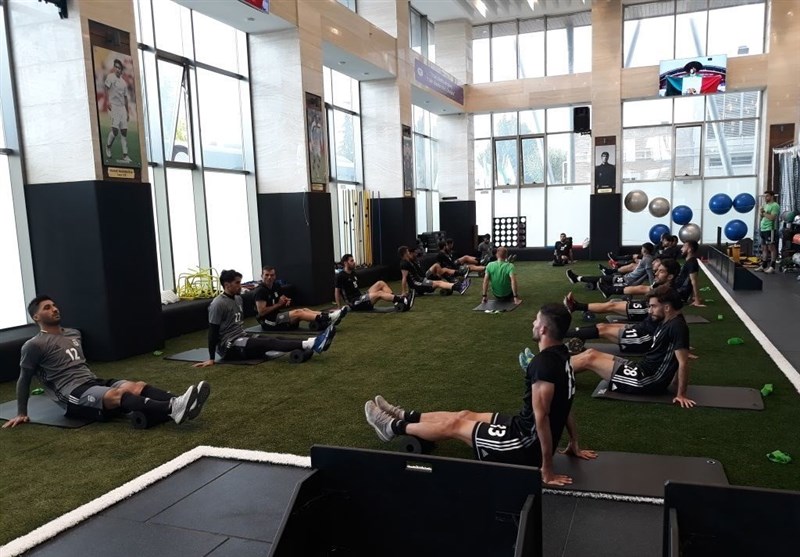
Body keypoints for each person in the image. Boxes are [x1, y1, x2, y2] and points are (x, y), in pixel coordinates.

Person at [364, 304, 596, 485]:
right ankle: (404, 415)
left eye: (536, 320)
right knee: (465, 414)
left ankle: (391, 427)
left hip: (522, 445)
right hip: (523, 428)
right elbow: (566, 402)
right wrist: (574, 442)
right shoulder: (563, 356)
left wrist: (546, 468)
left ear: (543, 329)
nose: (533, 323)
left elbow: (542, 417)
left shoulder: (542, 365)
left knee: (455, 425)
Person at [3, 296, 208, 428]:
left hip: (92, 381)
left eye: (54, 305)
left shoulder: (73, 333)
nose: (54, 309)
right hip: (71, 394)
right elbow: (24, 379)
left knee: (136, 386)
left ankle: (183, 402)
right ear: (36, 317)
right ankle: (173, 407)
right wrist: (22, 413)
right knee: (119, 395)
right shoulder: (34, 345)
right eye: (47, 308)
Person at [570, 286, 695, 408]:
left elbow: (683, 362)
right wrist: (674, 382)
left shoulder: (677, 326)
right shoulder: (667, 320)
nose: (650, 311)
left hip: (646, 380)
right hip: (642, 369)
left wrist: (681, 394)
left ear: (667, 307)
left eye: (653, 306)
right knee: (591, 353)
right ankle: (564, 370)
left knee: (589, 359)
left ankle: (558, 374)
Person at [194, 270, 334, 368]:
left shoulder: (238, 299)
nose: (240, 286)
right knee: (269, 342)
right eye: (237, 283)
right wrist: (211, 358)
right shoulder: (217, 304)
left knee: (276, 338)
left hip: (241, 337)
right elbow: (212, 332)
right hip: (229, 346)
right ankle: (312, 343)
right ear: (227, 284)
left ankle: (311, 342)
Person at [563, 259, 681, 321]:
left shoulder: (669, 291)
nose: (656, 273)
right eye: (657, 270)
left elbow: (672, 315)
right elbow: (642, 289)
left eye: (661, 271)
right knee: (613, 302)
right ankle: (578, 305)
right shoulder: (661, 284)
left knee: (612, 306)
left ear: (670, 276)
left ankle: (576, 306)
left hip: (647, 312)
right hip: (648, 307)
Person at [254, 266, 347, 331]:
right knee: (298, 312)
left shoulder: (275, 286)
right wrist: (278, 304)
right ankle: (329, 318)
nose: (269, 277)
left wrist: (286, 299)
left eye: (272, 275)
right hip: (268, 322)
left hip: (277, 316)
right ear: (262, 276)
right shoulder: (260, 291)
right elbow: (261, 312)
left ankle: (329, 316)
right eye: (266, 275)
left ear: (275, 276)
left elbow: (281, 297)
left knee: (304, 309)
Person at [335, 254, 412, 312]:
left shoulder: (353, 273)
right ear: (345, 263)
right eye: (351, 261)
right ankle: (402, 300)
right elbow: (337, 292)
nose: (354, 262)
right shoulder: (341, 276)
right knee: (379, 293)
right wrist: (339, 307)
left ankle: (396, 302)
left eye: (353, 260)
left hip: (360, 297)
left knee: (380, 283)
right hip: (354, 303)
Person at [572, 243, 655, 292]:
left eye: (642, 248)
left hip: (626, 280)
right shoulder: (647, 258)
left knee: (601, 279)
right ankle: (580, 279)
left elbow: (649, 274)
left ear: (645, 250)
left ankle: (577, 278)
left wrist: (652, 286)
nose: (641, 250)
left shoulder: (647, 259)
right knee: (603, 280)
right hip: (627, 278)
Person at [398, 246, 470, 296]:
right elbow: (404, 278)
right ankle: (459, 287)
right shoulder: (404, 263)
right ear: (405, 253)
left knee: (439, 282)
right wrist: (404, 292)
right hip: (417, 284)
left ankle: (459, 287)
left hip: (421, 280)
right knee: (438, 283)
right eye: (407, 252)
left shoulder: (408, 261)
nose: (409, 253)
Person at [104, 59, 131, 163]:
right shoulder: (110, 77)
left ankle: (125, 155)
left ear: (121, 70)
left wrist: (127, 112)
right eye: (116, 67)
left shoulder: (124, 83)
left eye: (119, 68)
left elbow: (126, 98)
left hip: (122, 108)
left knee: (124, 132)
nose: (117, 69)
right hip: (114, 106)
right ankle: (108, 147)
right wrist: (107, 101)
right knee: (115, 131)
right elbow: (106, 89)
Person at [755, 190, 780, 273]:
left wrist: (764, 213)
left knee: (771, 247)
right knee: (764, 248)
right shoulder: (765, 205)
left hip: (770, 229)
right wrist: (761, 213)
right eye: (765, 196)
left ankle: (772, 267)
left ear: (772, 196)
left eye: (767, 196)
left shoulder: (775, 205)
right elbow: (762, 216)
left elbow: (772, 217)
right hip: (763, 228)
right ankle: (763, 265)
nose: (765, 197)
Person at [675, 240, 704, 306]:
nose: (681, 249)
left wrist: (697, 300)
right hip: (676, 290)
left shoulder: (692, 262)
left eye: (684, 246)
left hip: (679, 293)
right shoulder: (689, 261)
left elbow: (694, 281)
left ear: (690, 249)